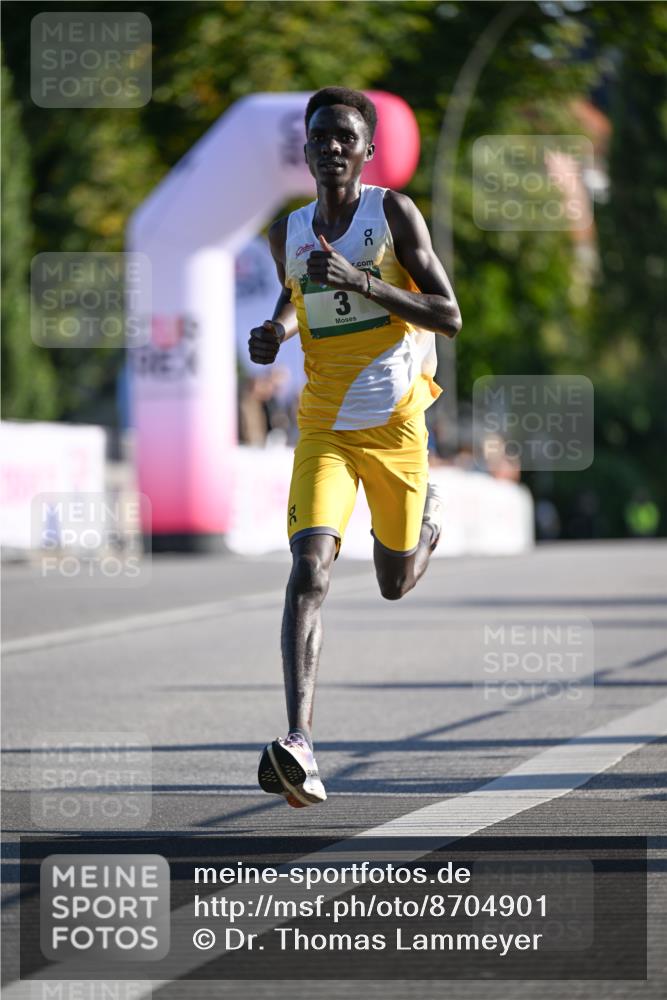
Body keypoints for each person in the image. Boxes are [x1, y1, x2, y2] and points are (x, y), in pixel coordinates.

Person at [249, 87, 462, 808]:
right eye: (320, 136)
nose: (332, 146)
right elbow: (292, 288)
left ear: (366, 151)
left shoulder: (392, 214)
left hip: (397, 427)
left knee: (393, 582)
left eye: (345, 136)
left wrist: (361, 281)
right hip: (324, 430)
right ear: (305, 151)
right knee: (309, 568)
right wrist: (275, 330)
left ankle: (425, 522)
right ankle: (299, 743)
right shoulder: (288, 230)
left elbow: (448, 315)